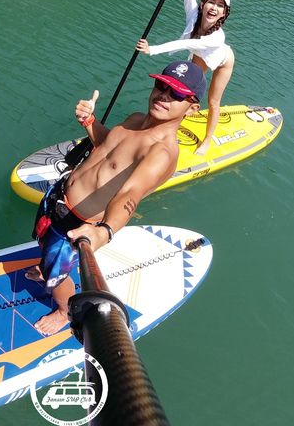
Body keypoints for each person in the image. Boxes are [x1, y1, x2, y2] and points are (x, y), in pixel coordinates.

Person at [29, 60, 206, 335]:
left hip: (78, 222)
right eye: (161, 85)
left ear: (193, 107)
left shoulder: (161, 153)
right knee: (44, 243)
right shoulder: (135, 119)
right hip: (58, 197)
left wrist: (105, 232)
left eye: (177, 94)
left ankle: (64, 311)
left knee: (59, 276)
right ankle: (46, 265)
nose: (164, 96)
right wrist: (90, 121)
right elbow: (106, 147)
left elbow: (129, 195)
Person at [135, 0, 234, 156]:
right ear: (203, 4)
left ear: (224, 14)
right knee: (179, 90)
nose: (214, 7)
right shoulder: (193, 14)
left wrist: (153, 50)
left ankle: (207, 139)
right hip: (198, 55)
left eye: (220, 6)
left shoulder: (218, 37)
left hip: (221, 59)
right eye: (211, 2)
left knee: (212, 100)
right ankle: (166, 121)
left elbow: (186, 42)